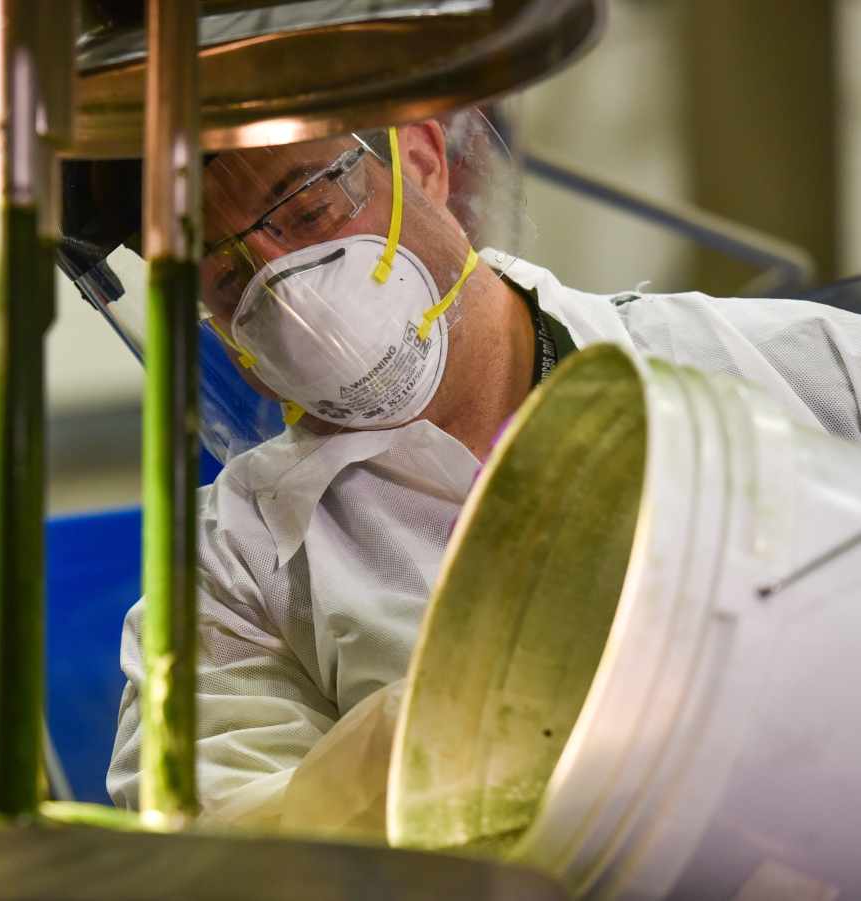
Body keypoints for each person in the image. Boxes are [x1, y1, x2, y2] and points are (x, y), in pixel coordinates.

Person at [59, 110, 861, 830]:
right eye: (229, 276)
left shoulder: (800, 365)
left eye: (309, 208)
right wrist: (456, 727)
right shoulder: (234, 571)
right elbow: (225, 852)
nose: (288, 285)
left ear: (421, 162)